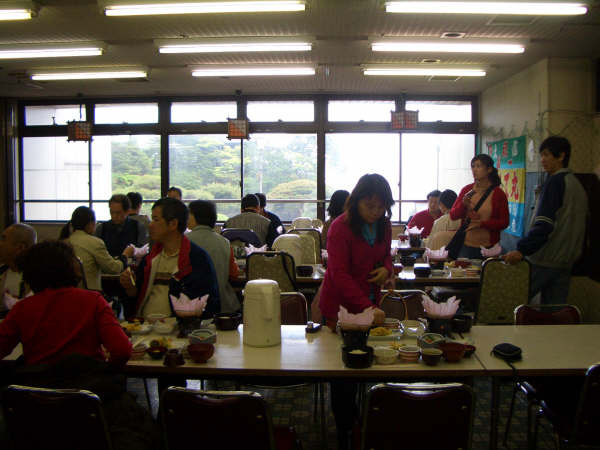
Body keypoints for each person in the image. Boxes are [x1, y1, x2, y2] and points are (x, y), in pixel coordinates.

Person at [318, 174, 394, 450]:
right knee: (343, 372)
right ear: (356, 201)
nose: (376, 212)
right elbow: (338, 274)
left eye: (381, 206)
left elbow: (386, 254)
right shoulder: (341, 227)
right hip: (340, 307)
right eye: (369, 206)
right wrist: (367, 306)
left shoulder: (384, 225)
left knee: (368, 363)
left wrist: (387, 268)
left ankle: (368, 420)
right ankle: (344, 431)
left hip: (369, 303)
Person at [0, 240, 132, 366]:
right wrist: (107, 371)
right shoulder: (94, 301)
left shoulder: (22, 309)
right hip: (88, 385)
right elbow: (122, 350)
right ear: (70, 269)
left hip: (37, 386)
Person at [504, 136, 588, 304]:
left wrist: (522, 250)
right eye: (541, 155)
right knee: (554, 315)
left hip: (545, 258)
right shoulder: (576, 185)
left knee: (511, 302)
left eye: (547, 155)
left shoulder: (555, 183)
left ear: (561, 156)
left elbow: (544, 224)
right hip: (566, 262)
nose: (542, 160)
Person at [119, 197, 220, 328]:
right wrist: (130, 287)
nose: (150, 224)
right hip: (143, 328)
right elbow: (136, 297)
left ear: (173, 224)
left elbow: (207, 305)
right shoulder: (150, 258)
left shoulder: (196, 260)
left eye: (155, 220)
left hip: (178, 331)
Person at [60, 206, 133, 291]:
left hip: (69, 293)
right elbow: (114, 268)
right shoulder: (94, 242)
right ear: (90, 224)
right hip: (90, 294)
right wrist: (125, 255)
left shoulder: (64, 242)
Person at [450, 154, 509, 259]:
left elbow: (504, 222)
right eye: (473, 166)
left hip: (490, 247)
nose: (474, 170)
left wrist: (482, 223)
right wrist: (463, 205)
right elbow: (453, 215)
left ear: (489, 169)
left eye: (478, 166)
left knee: (487, 274)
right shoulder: (466, 190)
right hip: (467, 245)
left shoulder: (498, 194)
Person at [187, 200, 240, 314]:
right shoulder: (225, 242)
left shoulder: (184, 241)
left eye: (189, 214)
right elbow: (234, 274)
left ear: (196, 216)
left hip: (191, 307)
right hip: (225, 307)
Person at [0, 223, 36, 314]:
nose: (0, 244)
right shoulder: (2, 271)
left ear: (20, 247)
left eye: (3, 239)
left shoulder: (38, 278)